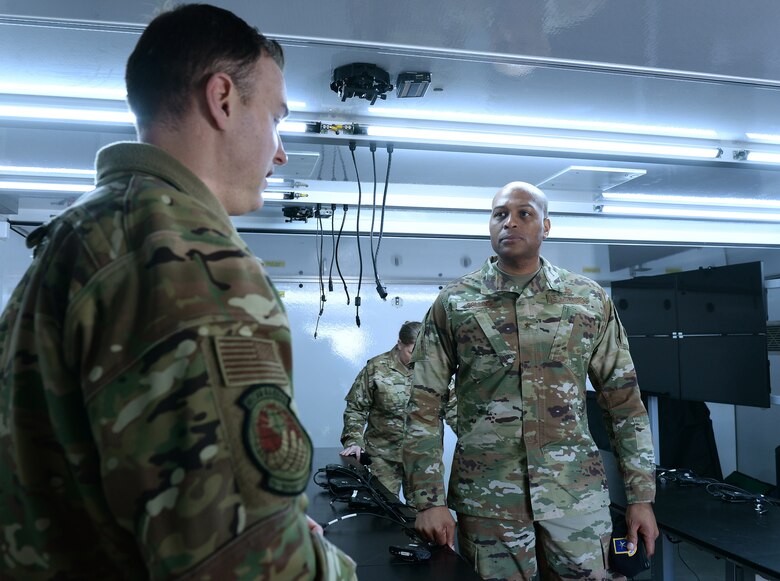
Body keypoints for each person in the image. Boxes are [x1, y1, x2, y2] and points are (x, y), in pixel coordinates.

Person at [0, 5, 355, 580]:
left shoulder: (83, 232)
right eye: (275, 118)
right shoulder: (194, 264)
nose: (281, 151)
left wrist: (266, 520)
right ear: (222, 99)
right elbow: (246, 567)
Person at [402, 182, 659, 580]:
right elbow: (423, 406)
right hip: (488, 501)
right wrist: (428, 499)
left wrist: (641, 497)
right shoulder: (455, 303)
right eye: (500, 214)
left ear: (546, 226)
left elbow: (623, 402)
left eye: (525, 213)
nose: (510, 222)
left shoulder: (587, 300)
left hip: (575, 497)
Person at [340, 321, 456, 496]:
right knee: (380, 513)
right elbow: (356, 408)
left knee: (425, 516)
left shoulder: (436, 369)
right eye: (412, 352)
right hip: (382, 458)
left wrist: (476, 444)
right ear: (399, 343)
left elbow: (455, 410)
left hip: (424, 459)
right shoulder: (376, 368)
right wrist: (354, 441)